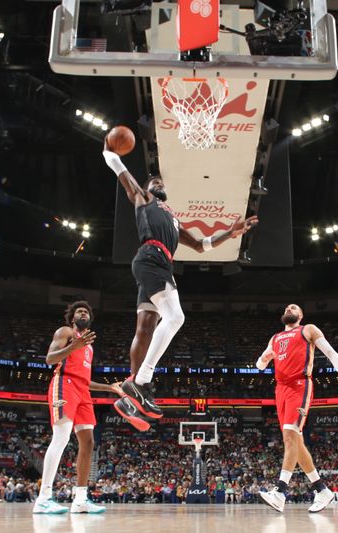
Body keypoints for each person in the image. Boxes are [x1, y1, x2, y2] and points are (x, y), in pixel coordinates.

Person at [101, 144, 258, 428]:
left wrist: (231, 233)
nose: (158, 182)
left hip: (157, 263)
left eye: (161, 182)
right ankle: (141, 380)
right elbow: (124, 177)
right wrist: (109, 153)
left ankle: (133, 394)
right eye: (153, 181)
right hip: (152, 257)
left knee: (146, 326)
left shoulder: (173, 218)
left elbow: (201, 245)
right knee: (175, 316)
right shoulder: (145, 199)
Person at [255, 304, 338, 513]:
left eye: (294, 307)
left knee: (291, 436)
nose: (289, 308)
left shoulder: (308, 329)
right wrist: (264, 359)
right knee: (294, 441)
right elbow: (259, 366)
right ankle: (322, 490)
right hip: (280, 390)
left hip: (299, 386)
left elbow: (331, 353)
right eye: (286, 307)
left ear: (301, 315)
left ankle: (280, 492)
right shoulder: (275, 338)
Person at [33, 301, 125, 514]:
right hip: (64, 384)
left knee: (88, 441)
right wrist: (73, 345)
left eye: (86, 312)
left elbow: (86, 380)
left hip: (82, 391)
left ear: (90, 319)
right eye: (79, 311)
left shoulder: (89, 347)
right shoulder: (66, 332)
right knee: (62, 437)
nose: (83, 313)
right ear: (72, 318)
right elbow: (50, 359)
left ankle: (81, 499)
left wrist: (110, 387)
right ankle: (44, 498)